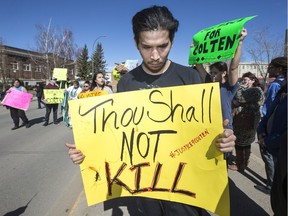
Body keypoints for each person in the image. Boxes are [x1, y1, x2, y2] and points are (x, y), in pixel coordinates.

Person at [66, 5, 236, 216]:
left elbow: (206, 132)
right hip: (145, 187)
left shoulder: (191, 78)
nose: (155, 55)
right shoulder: (127, 82)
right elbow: (117, 134)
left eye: (162, 46)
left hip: (185, 188)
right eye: (147, 47)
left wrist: (224, 139)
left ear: (171, 42)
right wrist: (87, 152)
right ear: (137, 44)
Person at [195, 28, 247, 167]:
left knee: (221, 165)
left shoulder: (229, 88)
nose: (212, 75)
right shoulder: (209, 84)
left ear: (223, 73)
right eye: (211, 73)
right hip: (207, 129)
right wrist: (195, 50)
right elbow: (198, 66)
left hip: (224, 131)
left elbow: (234, 68)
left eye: (215, 73)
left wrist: (240, 42)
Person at [255, 56, 287, 194]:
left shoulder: (276, 85)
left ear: (279, 69)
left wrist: (266, 139)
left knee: (270, 159)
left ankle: (271, 184)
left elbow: (268, 109)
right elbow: (270, 110)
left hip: (273, 139)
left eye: (271, 67)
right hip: (269, 132)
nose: (269, 70)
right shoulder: (282, 89)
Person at [230, 72, 264, 172]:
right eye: (243, 80)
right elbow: (239, 100)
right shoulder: (251, 90)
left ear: (253, 80)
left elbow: (240, 98)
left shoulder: (255, 90)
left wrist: (240, 87)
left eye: (246, 80)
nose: (244, 82)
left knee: (240, 143)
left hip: (246, 121)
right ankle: (244, 162)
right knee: (245, 143)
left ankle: (240, 165)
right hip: (246, 120)